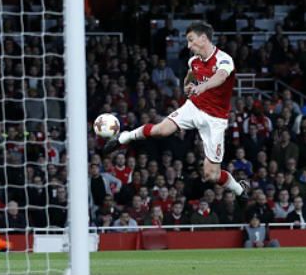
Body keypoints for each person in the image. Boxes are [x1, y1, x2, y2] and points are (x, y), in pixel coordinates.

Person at [104, 21, 249, 201]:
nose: (188, 45)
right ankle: (124, 137)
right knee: (161, 130)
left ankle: (239, 189)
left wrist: (203, 86)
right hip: (194, 107)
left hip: (215, 119)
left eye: (191, 40)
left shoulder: (224, 59)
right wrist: (188, 85)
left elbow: (220, 76)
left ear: (203, 38)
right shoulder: (194, 61)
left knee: (211, 175)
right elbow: (190, 75)